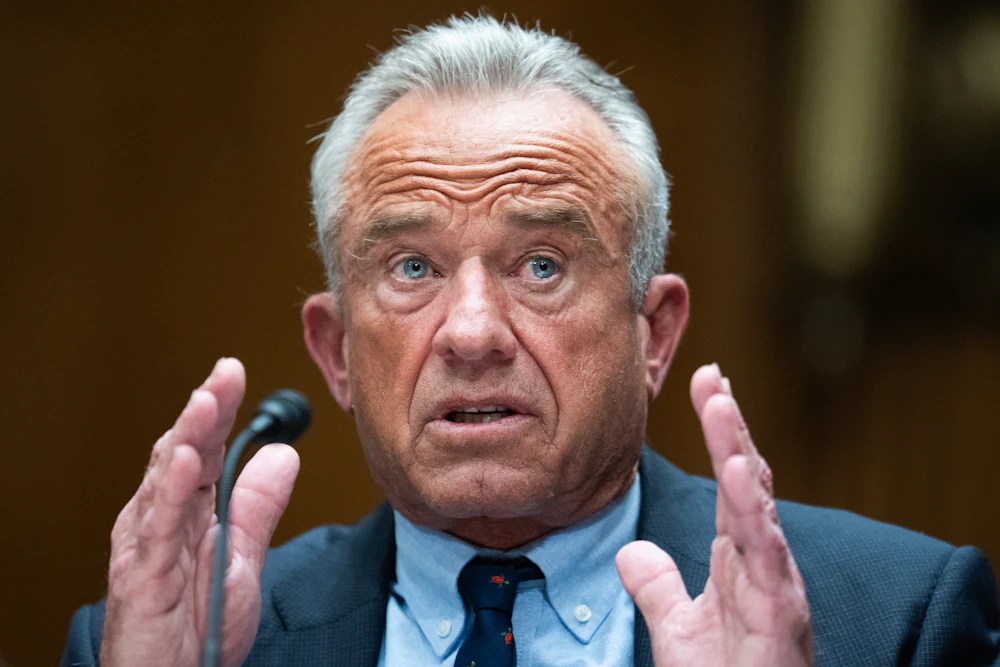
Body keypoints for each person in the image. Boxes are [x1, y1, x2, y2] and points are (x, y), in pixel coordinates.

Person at [61, 15, 999, 667]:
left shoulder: (896, 621)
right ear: (338, 351)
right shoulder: (163, 643)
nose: (471, 333)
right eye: (413, 269)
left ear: (654, 332)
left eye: (542, 265)